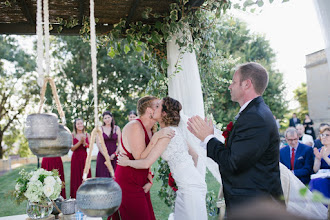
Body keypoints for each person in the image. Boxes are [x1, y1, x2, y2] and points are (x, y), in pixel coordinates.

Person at [187, 62, 283, 213]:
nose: (230, 86)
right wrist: (208, 138)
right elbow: (239, 156)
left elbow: (233, 163)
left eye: (233, 82)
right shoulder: (252, 113)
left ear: (246, 84)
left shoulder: (255, 117)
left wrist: (208, 138)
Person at [118, 97, 207, 220]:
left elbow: (145, 162)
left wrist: (126, 162)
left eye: (158, 106)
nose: (155, 109)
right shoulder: (173, 131)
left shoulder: (167, 134)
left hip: (189, 187)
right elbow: (195, 156)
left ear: (164, 113)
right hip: (188, 185)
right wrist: (189, 176)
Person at [115, 96, 174, 220]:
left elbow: (149, 158)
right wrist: (156, 137)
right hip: (128, 181)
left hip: (140, 180)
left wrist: (149, 177)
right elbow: (139, 157)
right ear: (149, 111)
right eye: (158, 105)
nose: (162, 108)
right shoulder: (135, 126)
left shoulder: (151, 128)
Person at [70, 118, 91, 198]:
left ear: (83, 124)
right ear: (75, 125)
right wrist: (80, 142)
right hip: (75, 158)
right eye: (78, 124)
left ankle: (87, 196)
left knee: (85, 177)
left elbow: (89, 147)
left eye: (81, 123)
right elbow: (72, 148)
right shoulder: (72, 135)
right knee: (76, 178)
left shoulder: (87, 135)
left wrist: (85, 143)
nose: (80, 125)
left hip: (85, 158)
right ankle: (76, 197)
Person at [96, 111, 121, 177]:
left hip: (114, 156)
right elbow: (98, 144)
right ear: (103, 120)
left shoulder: (117, 128)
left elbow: (120, 143)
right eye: (105, 118)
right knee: (102, 176)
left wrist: (115, 154)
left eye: (108, 117)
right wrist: (105, 155)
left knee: (115, 176)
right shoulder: (100, 129)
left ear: (111, 118)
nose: (107, 119)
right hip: (102, 156)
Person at [311, 125, 330, 199]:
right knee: (314, 181)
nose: (324, 137)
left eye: (327, 135)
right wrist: (318, 159)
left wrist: (325, 157)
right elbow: (315, 170)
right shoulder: (319, 150)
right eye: (322, 135)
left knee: (320, 182)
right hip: (322, 176)